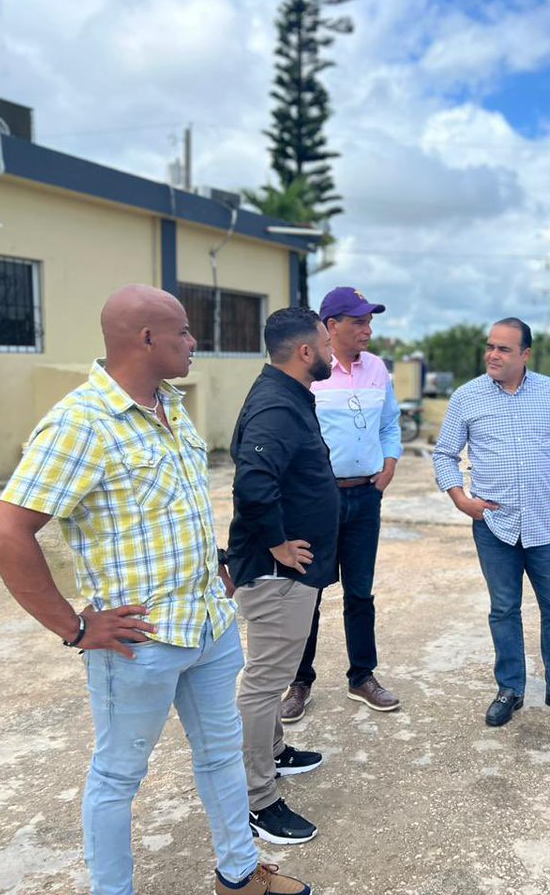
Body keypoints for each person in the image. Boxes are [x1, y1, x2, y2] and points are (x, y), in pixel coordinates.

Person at [0, 285, 310, 895]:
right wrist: (75, 627)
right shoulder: (81, 423)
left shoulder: (169, 406)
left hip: (207, 624)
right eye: (183, 331)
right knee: (119, 776)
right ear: (146, 338)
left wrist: (212, 565)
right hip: (140, 642)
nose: (193, 341)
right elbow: (4, 534)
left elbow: (167, 510)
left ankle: (240, 874)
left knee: (219, 756)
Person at [432, 317, 550, 728]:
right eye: (490, 346)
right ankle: (510, 688)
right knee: (504, 609)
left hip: (547, 525)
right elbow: (443, 454)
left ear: (525, 354)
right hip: (494, 525)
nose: (493, 354)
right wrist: (460, 500)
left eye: (504, 349)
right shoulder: (467, 397)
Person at [227, 307, 340, 845]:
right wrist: (276, 542)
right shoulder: (276, 405)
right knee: (265, 681)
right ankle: (256, 798)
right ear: (304, 351)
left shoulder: (289, 395)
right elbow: (252, 484)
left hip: (290, 571)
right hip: (277, 573)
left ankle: (274, 751)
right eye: (325, 341)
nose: (332, 348)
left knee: (274, 669)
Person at [279, 286, 402, 723]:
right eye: (358, 321)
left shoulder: (377, 369)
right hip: (318, 500)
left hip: (365, 496)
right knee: (307, 591)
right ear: (332, 326)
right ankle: (299, 681)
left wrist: (387, 467)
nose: (367, 329)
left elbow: (391, 423)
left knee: (360, 592)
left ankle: (362, 676)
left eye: (370, 321)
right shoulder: (313, 372)